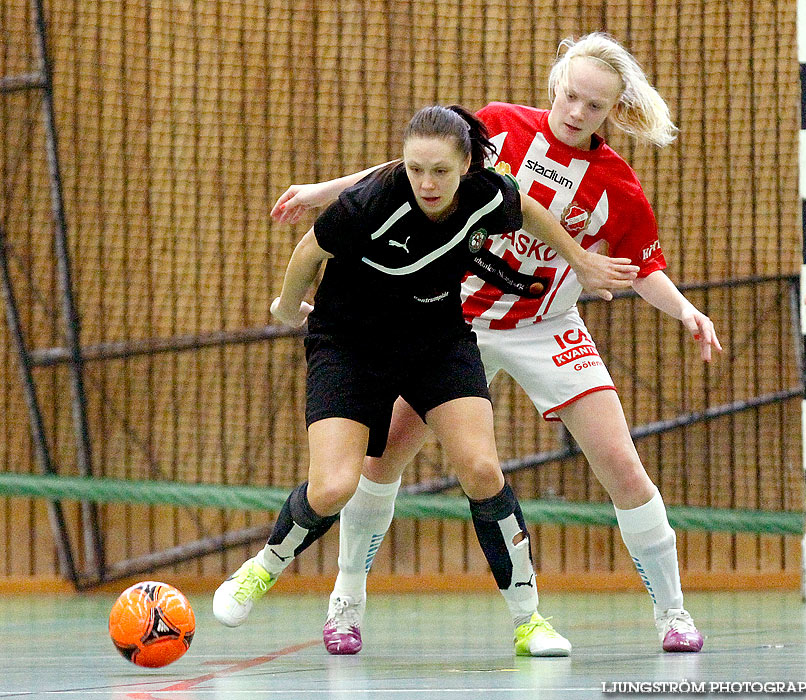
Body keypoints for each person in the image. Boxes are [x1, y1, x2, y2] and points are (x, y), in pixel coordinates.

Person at [272, 32, 722, 656]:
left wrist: (686, 311)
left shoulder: (617, 186)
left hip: (549, 326)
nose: (575, 113)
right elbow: (414, 172)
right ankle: (347, 600)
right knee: (383, 458)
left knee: (621, 462)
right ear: (555, 85)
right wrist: (325, 192)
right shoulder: (501, 131)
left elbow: (642, 267)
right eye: (570, 97)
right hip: (456, 322)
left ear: (611, 112)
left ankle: (672, 613)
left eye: (593, 107)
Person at [214, 104, 639, 657]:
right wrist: (287, 307)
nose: (426, 183)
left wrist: (579, 259)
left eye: (439, 170)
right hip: (349, 343)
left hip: (437, 338)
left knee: (483, 469)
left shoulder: (488, 192)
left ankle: (528, 620)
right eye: (415, 169)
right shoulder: (371, 203)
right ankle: (263, 567)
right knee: (334, 486)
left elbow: (529, 209)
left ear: (467, 164)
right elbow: (309, 249)